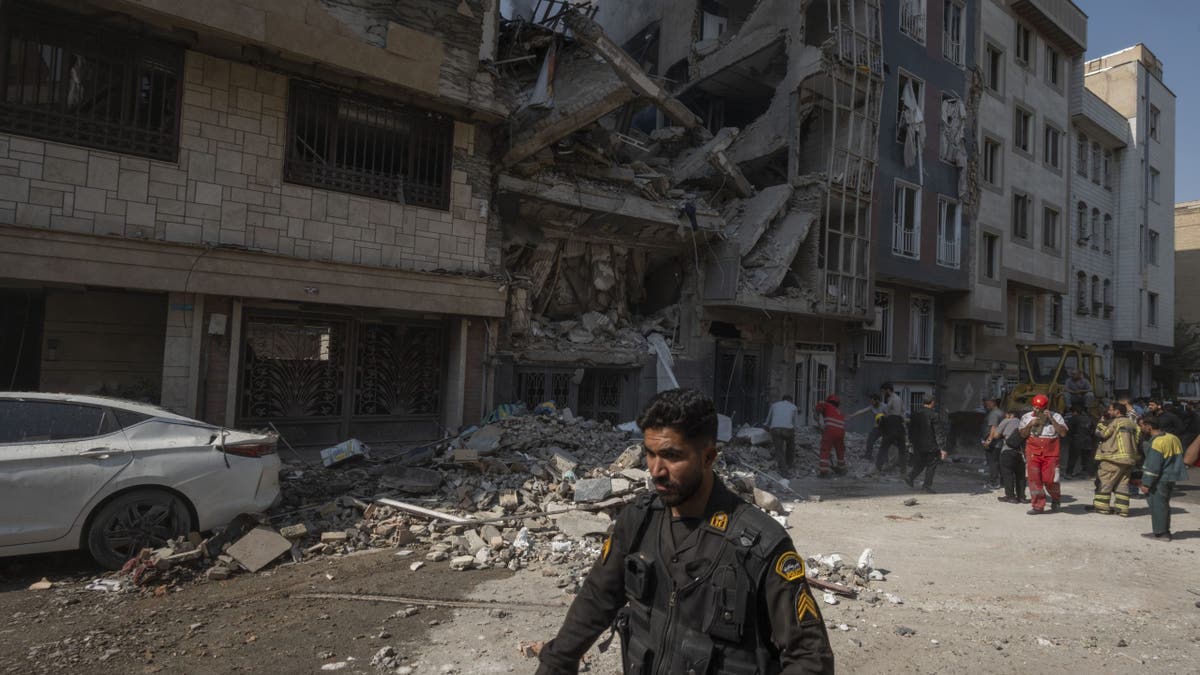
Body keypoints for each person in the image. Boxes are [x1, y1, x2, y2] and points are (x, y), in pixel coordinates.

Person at [535, 389, 835, 674]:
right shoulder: (639, 520)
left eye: (672, 456)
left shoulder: (761, 545)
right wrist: (557, 663)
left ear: (708, 457)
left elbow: (810, 658)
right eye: (650, 454)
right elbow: (596, 599)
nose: (656, 470)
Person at [1138, 416, 1188, 542]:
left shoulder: (1157, 442)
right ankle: (1164, 530)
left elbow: (1153, 466)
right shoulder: (1173, 438)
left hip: (1159, 479)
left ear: (1149, 426)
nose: (1140, 428)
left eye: (1142, 425)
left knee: (1158, 505)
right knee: (1164, 504)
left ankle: (1161, 533)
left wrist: (1146, 484)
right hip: (1171, 477)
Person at [1019, 394, 1068, 515]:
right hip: (1033, 453)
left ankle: (1055, 498)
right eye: (1035, 407)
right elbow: (1022, 434)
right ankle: (1038, 506)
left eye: (1039, 408)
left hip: (1051, 453)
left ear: (1046, 406)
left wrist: (1051, 419)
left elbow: (1063, 433)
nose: (1036, 410)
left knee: (1050, 480)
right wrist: (1030, 424)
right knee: (1034, 480)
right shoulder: (1026, 417)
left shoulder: (1057, 416)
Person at [1088, 402, 1138, 516]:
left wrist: (1101, 423)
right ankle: (1122, 509)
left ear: (1117, 411)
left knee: (1105, 482)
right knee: (1122, 484)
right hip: (1129, 459)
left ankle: (1102, 507)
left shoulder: (1115, 422)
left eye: (1110, 410)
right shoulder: (1132, 423)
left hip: (1113, 459)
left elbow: (1103, 434)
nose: (1109, 412)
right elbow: (1138, 438)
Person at [905, 395, 945, 493]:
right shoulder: (934, 415)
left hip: (918, 445)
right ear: (932, 402)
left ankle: (910, 477)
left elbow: (910, 429)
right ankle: (926, 486)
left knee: (922, 462)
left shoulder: (915, 414)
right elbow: (938, 432)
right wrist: (942, 448)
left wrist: (911, 442)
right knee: (932, 464)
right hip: (930, 445)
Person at [876, 383, 907, 474]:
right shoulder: (897, 399)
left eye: (883, 391)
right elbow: (903, 411)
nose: (883, 393)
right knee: (901, 448)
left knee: (884, 446)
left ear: (887, 390)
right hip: (898, 424)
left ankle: (878, 467)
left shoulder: (893, 399)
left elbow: (891, 413)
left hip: (892, 423)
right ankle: (903, 470)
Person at [813, 394, 847, 477]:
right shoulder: (839, 412)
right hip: (841, 433)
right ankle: (841, 468)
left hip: (830, 431)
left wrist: (816, 415)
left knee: (825, 449)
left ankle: (824, 472)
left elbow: (819, 406)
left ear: (829, 401)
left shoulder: (826, 405)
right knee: (840, 450)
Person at [764, 395, 799, 473]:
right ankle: (789, 464)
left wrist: (767, 428)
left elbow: (767, 421)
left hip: (775, 429)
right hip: (788, 430)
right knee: (791, 446)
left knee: (779, 450)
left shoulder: (774, 405)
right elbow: (795, 424)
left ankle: (783, 470)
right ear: (791, 400)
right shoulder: (794, 407)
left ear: (782, 400)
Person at [996, 410, 1026, 503]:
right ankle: (1021, 497)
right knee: (1020, 475)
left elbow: (996, 435)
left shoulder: (1007, 420)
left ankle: (1010, 497)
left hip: (1007, 451)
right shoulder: (1024, 423)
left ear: (1010, 415)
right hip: (1021, 453)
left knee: (1007, 474)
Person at [847, 394, 884, 460]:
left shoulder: (884, 406)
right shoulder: (872, 406)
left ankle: (885, 458)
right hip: (877, 427)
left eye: (873, 401)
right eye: (871, 401)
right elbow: (862, 411)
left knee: (886, 443)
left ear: (877, 400)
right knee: (870, 440)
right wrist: (852, 415)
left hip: (886, 427)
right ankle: (868, 456)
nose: (871, 403)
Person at [1064, 404, 1096, 478]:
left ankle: (1069, 473)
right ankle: (1085, 473)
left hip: (1077, 440)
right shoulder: (1090, 418)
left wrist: (1069, 438)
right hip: (1088, 441)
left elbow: (1068, 430)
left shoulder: (1074, 418)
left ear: (1075, 412)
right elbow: (1094, 431)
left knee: (1072, 458)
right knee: (1086, 458)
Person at [981, 398, 1004, 490]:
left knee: (993, 463)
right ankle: (1002, 482)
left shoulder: (994, 414)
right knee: (998, 462)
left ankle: (994, 482)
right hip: (999, 442)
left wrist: (989, 440)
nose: (986, 405)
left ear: (993, 403)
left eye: (988, 403)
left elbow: (993, 428)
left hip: (994, 443)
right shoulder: (1001, 412)